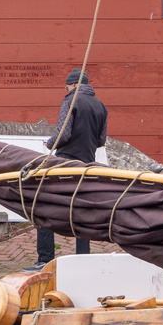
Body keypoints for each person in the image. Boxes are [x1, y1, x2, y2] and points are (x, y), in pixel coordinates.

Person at [36, 69, 109, 264]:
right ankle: (82, 259)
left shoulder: (70, 100)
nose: (65, 90)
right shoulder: (101, 106)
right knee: (80, 211)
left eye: (67, 86)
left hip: (66, 162)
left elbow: (64, 134)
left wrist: (49, 144)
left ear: (74, 84)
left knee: (42, 206)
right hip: (87, 163)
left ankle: (45, 259)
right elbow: (101, 140)